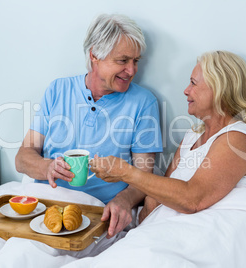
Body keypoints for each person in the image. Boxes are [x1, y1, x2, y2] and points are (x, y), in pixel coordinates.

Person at [15, 14, 163, 238]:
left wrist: (123, 201)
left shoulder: (144, 103)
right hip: (45, 207)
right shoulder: (58, 90)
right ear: (95, 55)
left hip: (99, 213)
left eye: (136, 61)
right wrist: (47, 168)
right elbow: (23, 157)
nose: (132, 70)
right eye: (123, 61)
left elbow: (144, 178)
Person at [90, 50, 246, 223]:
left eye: (193, 83)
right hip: (167, 225)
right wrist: (145, 221)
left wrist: (125, 172)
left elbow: (193, 199)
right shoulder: (193, 136)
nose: (186, 90)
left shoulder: (238, 138)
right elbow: (160, 191)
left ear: (219, 91)